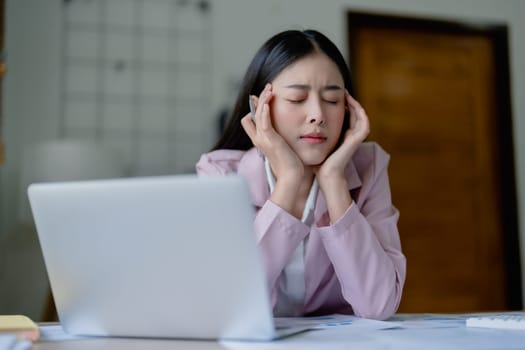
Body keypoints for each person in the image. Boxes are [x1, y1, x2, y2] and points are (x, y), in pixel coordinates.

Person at [196, 29, 406, 320]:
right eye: (297, 99)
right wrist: (289, 184)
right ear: (260, 109)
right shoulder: (219, 174)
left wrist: (335, 181)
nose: (318, 114)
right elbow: (229, 305)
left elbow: (378, 305)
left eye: (332, 101)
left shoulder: (370, 166)